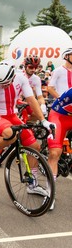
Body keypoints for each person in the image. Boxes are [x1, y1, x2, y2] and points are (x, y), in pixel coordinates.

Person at [0, 60, 54, 195]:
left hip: (11, 115)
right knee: (10, 134)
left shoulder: (21, 78)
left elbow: (31, 100)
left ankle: (33, 184)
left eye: (6, 84)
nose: (2, 87)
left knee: (34, 147)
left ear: (13, 77)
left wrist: (43, 120)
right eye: (0, 84)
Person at [46, 48, 72, 209]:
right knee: (55, 153)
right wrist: (61, 98)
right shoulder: (59, 71)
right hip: (59, 113)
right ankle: (50, 195)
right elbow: (50, 87)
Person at [20, 55, 48, 120]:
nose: (33, 70)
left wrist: (43, 105)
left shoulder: (36, 79)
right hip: (16, 101)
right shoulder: (19, 75)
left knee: (38, 115)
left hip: (27, 101)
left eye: (36, 67)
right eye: (31, 67)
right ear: (25, 66)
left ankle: (25, 122)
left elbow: (40, 97)